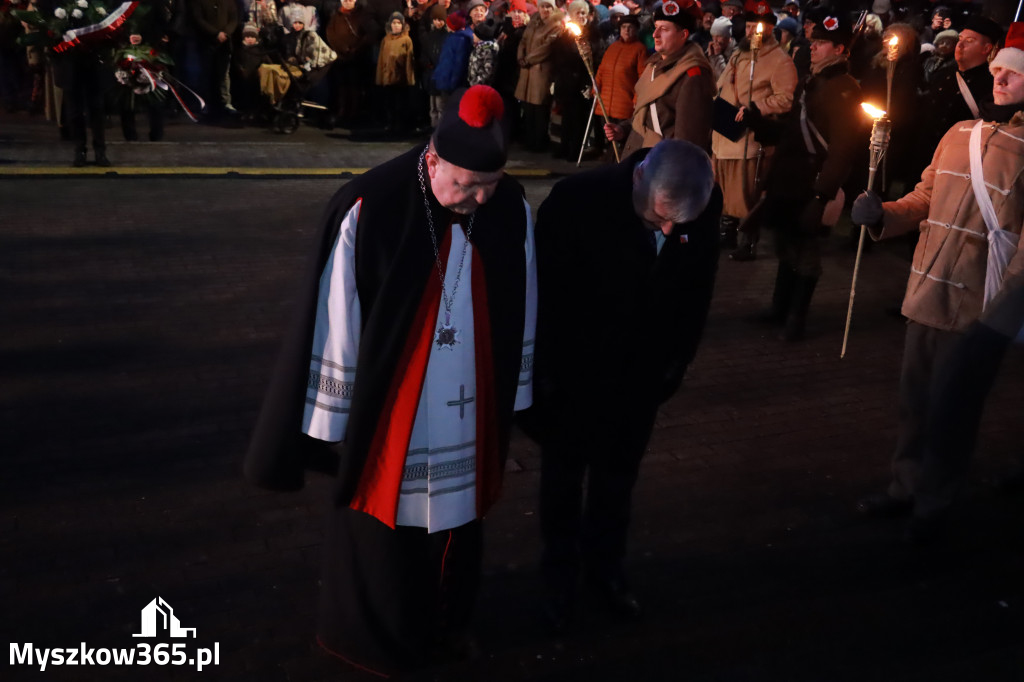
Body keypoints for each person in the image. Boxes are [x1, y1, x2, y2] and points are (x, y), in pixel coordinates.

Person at [243, 84, 536, 674]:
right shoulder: (370, 205)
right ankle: (375, 637)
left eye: (489, 185)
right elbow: (338, 316)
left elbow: (523, 300)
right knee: (382, 522)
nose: (478, 199)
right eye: (465, 185)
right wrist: (331, 418)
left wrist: (515, 390)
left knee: (459, 520)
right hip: (391, 404)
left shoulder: (510, 207)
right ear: (432, 160)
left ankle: (449, 623)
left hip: (466, 396)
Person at [533, 138, 721, 633]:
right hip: (574, 378)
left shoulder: (702, 200)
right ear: (639, 178)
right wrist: (543, 378)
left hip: (639, 380)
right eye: (658, 217)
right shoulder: (577, 201)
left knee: (617, 483)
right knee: (563, 483)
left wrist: (675, 362)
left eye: (679, 222)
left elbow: (698, 288)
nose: (667, 229)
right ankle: (558, 578)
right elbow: (545, 301)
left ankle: (605, 572)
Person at [850, 23, 1024, 544]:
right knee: (915, 399)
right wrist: (883, 213)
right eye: (997, 71)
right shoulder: (958, 134)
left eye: (1012, 74)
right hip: (929, 286)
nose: (999, 80)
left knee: (952, 409)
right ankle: (905, 484)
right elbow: (925, 198)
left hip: (980, 300)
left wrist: (1006, 308)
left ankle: (935, 502)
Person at [744, 10, 863, 341]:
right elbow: (793, 133)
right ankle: (780, 308)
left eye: (822, 43)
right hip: (788, 177)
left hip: (810, 183)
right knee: (785, 245)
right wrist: (762, 125)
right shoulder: (814, 80)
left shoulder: (845, 89)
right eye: (814, 41)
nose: (813, 47)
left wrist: (821, 197)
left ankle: (797, 317)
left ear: (841, 49)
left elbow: (841, 150)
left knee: (806, 254)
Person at [712, 0, 797, 261]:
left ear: (770, 29)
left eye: (757, 27)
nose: (751, 32)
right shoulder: (738, 54)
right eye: (748, 26)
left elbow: (785, 99)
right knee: (723, 189)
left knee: (746, 192)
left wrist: (756, 107)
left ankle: (747, 240)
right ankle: (726, 234)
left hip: (748, 137)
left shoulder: (779, 61)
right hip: (724, 130)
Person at [603, 0, 715, 156]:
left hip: (660, 166)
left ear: (683, 35)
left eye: (664, 29)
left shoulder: (692, 76)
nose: (655, 34)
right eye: (656, 28)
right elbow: (646, 114)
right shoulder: (654, 65)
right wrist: (624, 129)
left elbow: (687, 142)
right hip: (640, 158)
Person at [916, 16, 1003, 178]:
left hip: (956, 164)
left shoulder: (992, 87)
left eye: (969, 40)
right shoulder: (943, 74)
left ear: (986, 49)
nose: (960, 45)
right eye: (960, 38)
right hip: (924, 154)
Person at [514, 0, 562, 151]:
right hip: (527, 71)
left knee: (540, 108)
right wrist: (520, 56)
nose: (545, 10)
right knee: (528, 107)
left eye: (548, 6)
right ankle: (529, 139)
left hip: (541, 72)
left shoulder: (556, 25)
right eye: (543, 6)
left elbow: (546, 48)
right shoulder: (534, 21)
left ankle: (539, 142)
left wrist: (528, 59)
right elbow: (524, 40)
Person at [192, 0, 240, 119]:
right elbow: (198, 19)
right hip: (206, 43)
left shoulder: (229, 2)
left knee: (224, 75)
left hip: (225, 44)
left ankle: (226, 103)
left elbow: (234, 19)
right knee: (206, 74)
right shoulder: (200, 2)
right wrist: (216, 33)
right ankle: (205, 103)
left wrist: (226, 33)